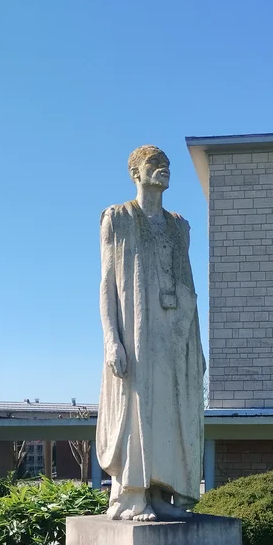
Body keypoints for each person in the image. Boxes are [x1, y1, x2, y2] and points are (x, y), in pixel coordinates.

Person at [96, 145, 205, 521]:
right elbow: (107, 284)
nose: (163, 170)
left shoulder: (179, 226)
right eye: (154, 164)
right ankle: (133, 494)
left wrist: (198, 346)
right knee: (140, 407)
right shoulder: (118, 218)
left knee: (172, 409)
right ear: (135, 173)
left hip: (175, 335)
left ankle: (162, 491)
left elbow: (190, 289)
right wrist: (112, 339)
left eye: (167, 165)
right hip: (136, 332)